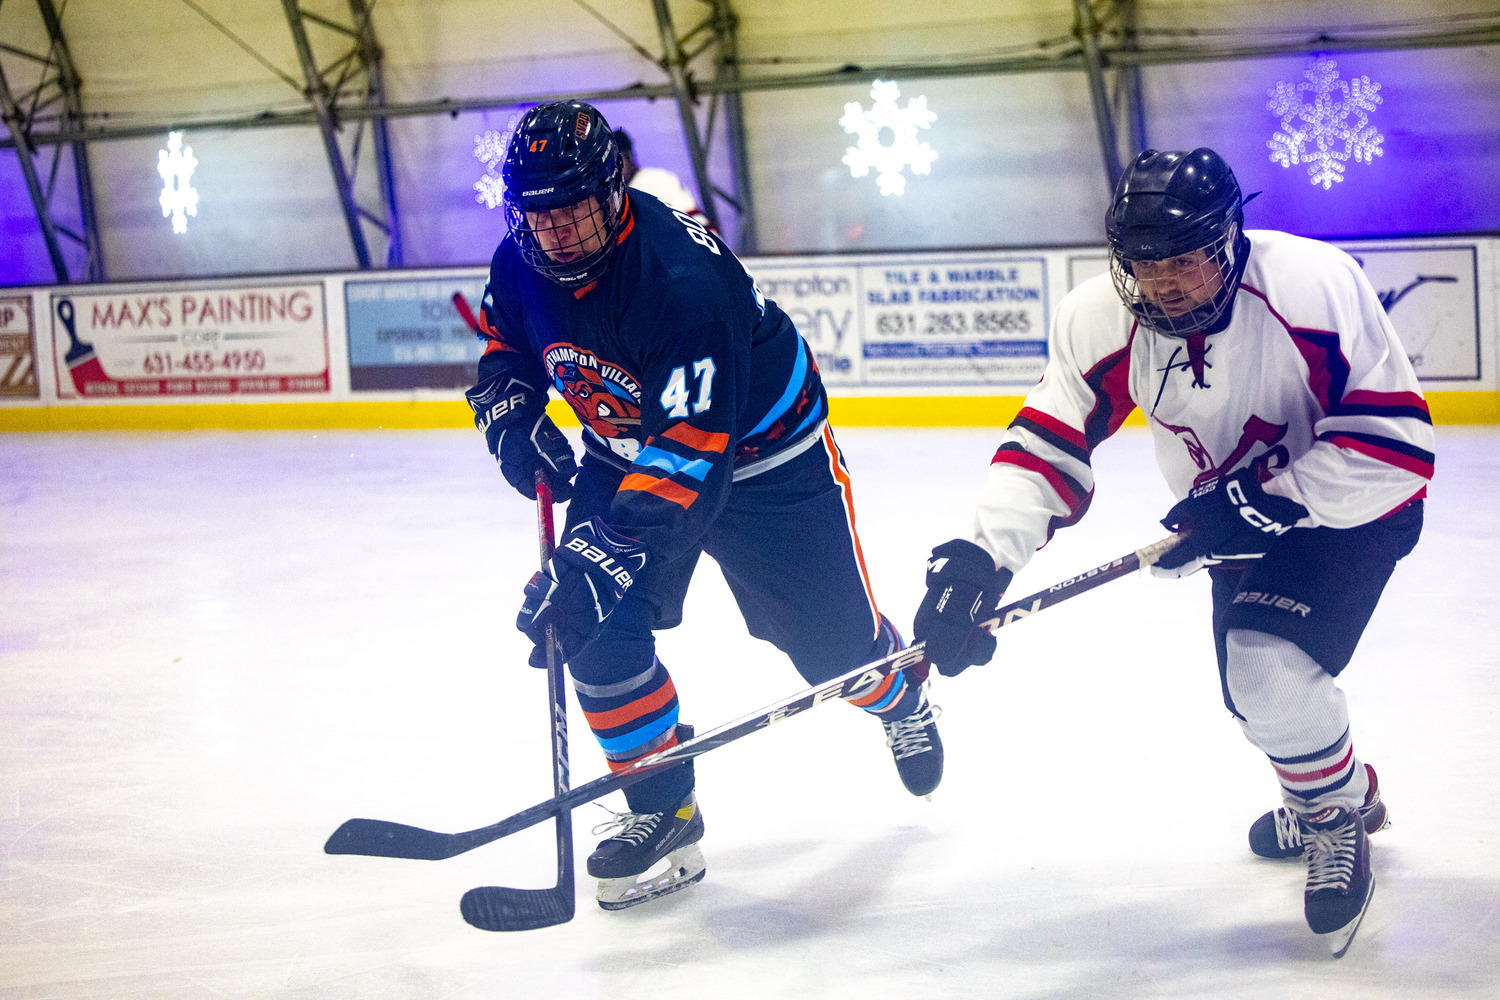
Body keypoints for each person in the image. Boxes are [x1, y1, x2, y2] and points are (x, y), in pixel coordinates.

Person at [913, 148, 1432, 957]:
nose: (1167, 284)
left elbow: (1396, 445)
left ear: (1230, 239)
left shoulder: (1314, 286)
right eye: (1146, 265)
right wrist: (981, 560)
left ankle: (1332, 818)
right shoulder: (1097, 318)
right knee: (1251, 697)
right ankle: (1348, 791)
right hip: (1228, 523)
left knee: (1265, 668)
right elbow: (1048, 442)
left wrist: (1271, 500)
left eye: (1187, 259)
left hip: (1349, 508)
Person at [465, 100, 941, 911]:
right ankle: (667, 813)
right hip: (626, 456)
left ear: (613, 189)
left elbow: (692, 450)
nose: (559, 234)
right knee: (593, 632)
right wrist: (509, 413)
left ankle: (901, 691)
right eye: (540, 217)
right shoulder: (521, 261)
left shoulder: (680, 281)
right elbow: (505, 342)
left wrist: (603, 554)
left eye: (575, 210)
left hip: (766, 465)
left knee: (833, 651)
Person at [612, 127, 711, 227]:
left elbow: (690, 220)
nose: (615, 168)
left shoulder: (652, 180)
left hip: (696, 238)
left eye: (618, 160)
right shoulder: (639, 183)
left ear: (629, 157)